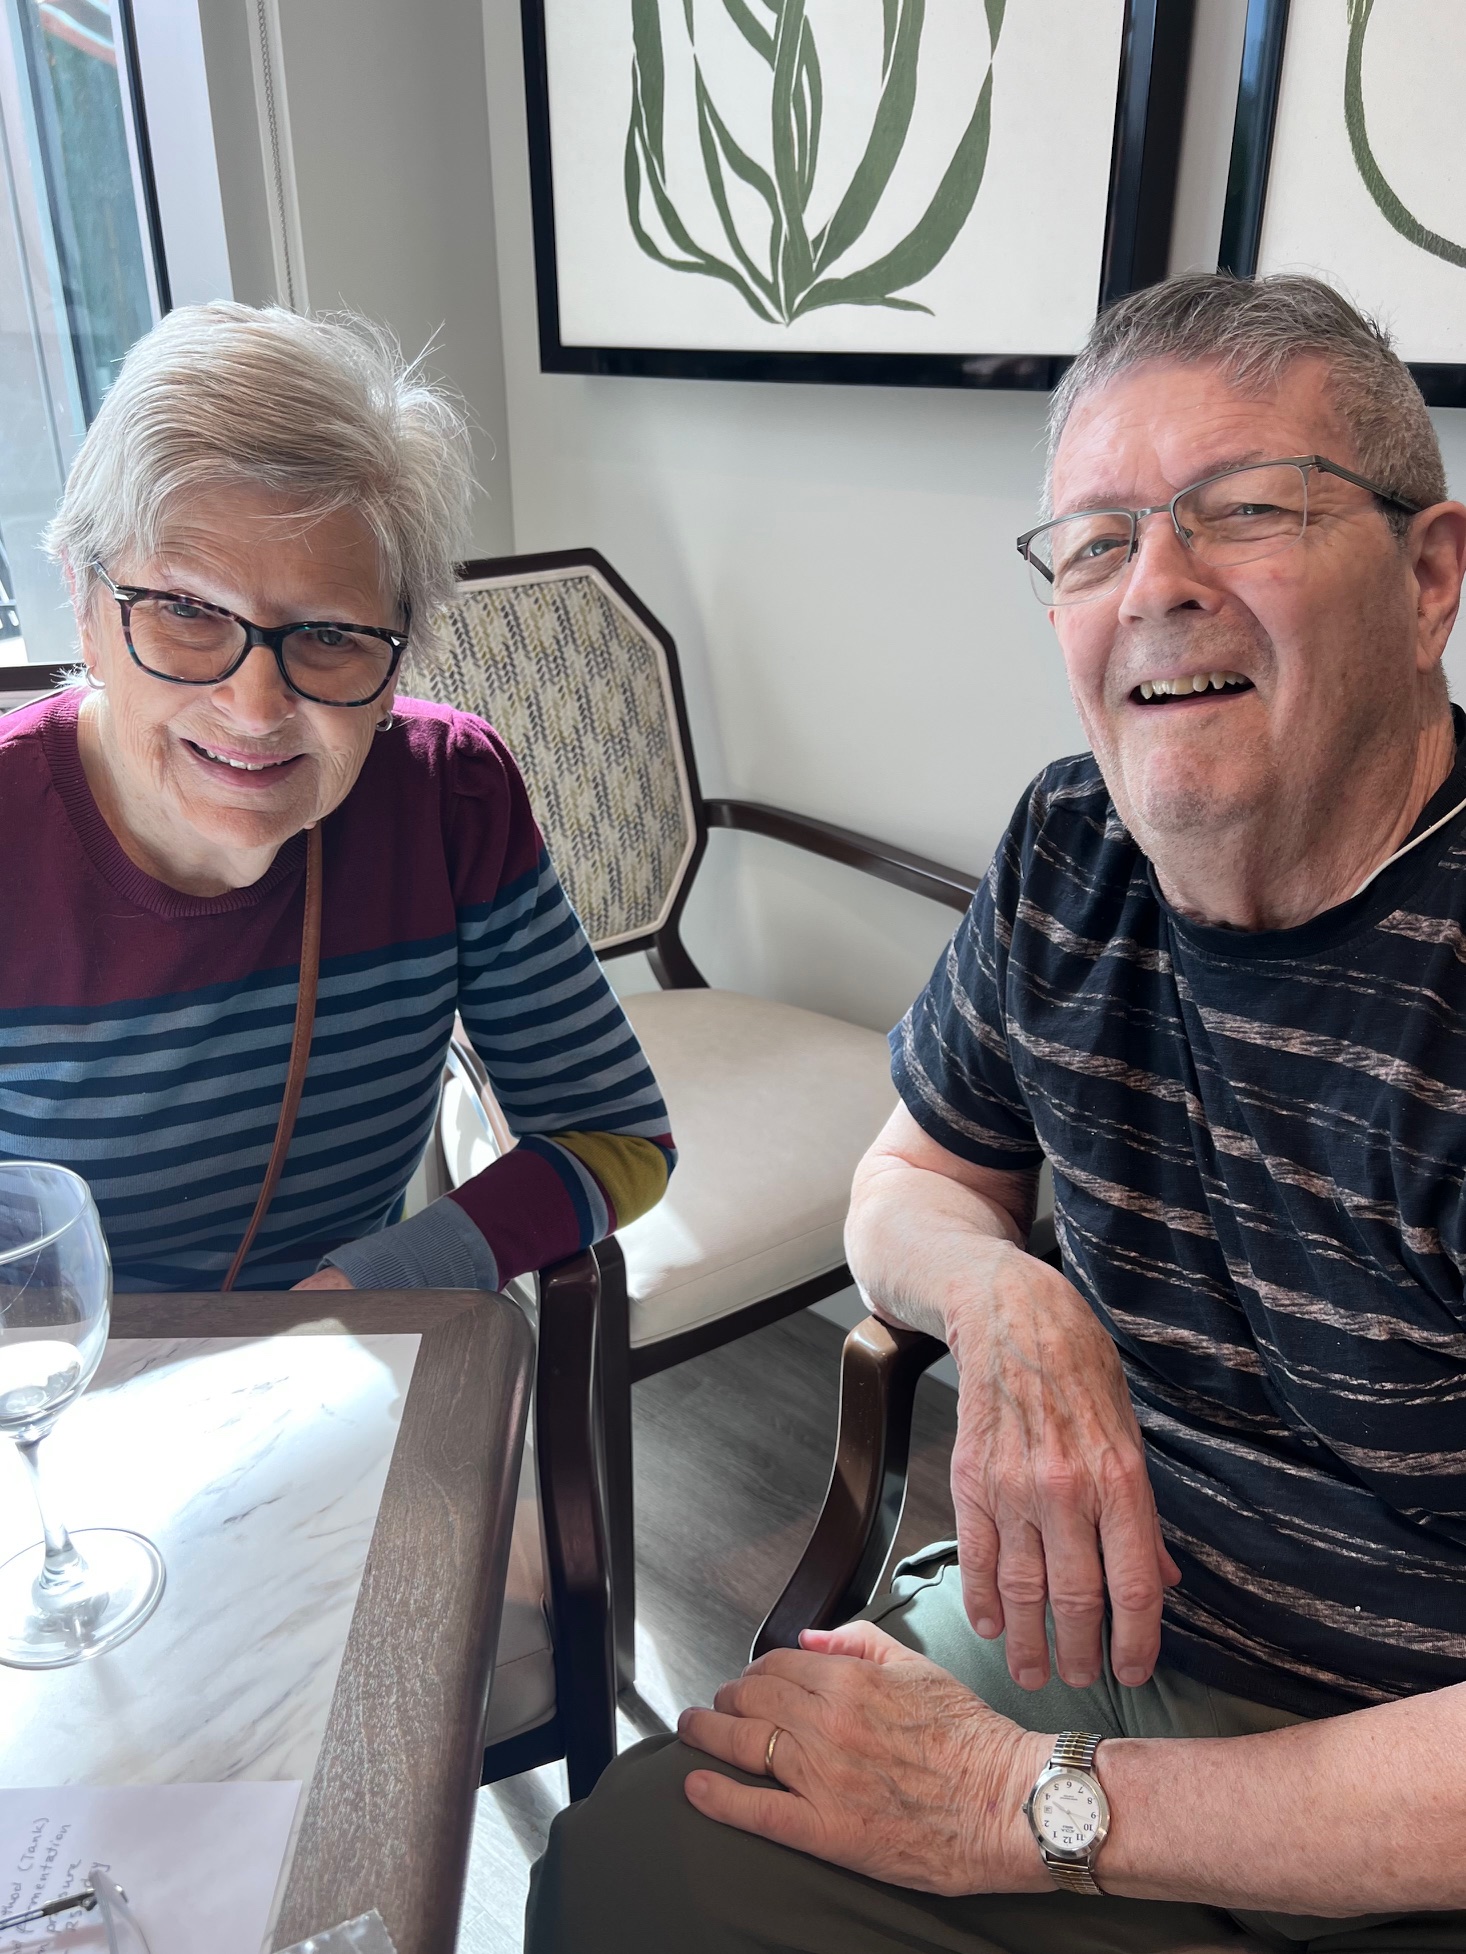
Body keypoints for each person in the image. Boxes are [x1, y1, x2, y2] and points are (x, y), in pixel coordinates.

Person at [525, 273, 1466, 1950]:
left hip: (1400, 1779)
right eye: (1097, 542)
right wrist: (1009, 1301)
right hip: (1087, 1640)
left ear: (1428, 577)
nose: (1155, 583)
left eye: (1245, 509)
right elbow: (905, 1177)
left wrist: (1017, 1804)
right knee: (632, 1873)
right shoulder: (1068, 852)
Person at [2, 302, 673, 1293]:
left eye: (327, 634)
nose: (255, 707)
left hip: (342, 1364)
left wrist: (365, 1294)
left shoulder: (450, 798)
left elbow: (615, 1137)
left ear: (397, 660)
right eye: (186, 610)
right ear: (86, 608)